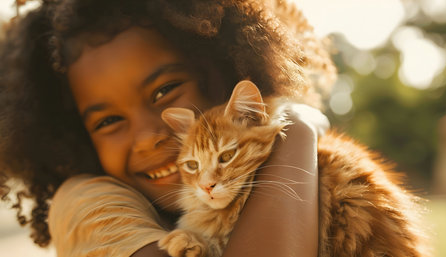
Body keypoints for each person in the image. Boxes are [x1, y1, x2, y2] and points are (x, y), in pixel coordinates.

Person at [0, 0, 336, 256]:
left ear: (221, 72)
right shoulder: (84, 205)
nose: (148, 138)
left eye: (164, 91)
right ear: (75, 138)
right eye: (108, 121)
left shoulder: (258, 164)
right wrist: (299, 127)